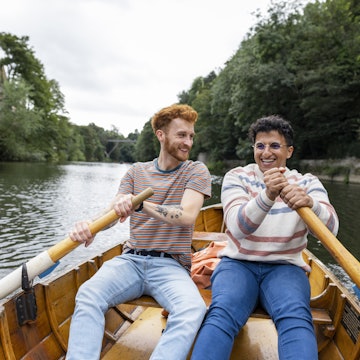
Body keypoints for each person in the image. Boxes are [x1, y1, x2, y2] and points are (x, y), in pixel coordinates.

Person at [66, 104, 211, 360]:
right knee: (88, 295)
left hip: (171, 265)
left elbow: (187, 215)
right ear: (161, 135)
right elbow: (112, 213)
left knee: (192, 309)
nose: (188, 142)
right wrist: (90, 226)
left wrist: (141, 204)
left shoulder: (195, 171)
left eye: (191, 136)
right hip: (130, 260)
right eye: (181, 135)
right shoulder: (136, 172)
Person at [191, 115, 339, 360]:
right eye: (260, 146)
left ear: (289, 151)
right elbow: (238, 227)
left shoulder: (307, 182)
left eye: (274, 146)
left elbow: (330, 231)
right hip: (238, 264)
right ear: (254, 150)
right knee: (223, 313)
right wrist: (268, 195)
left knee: (296, 318)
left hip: (285, 267)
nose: (266, 152)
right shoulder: (237, 176)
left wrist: (311, 204)